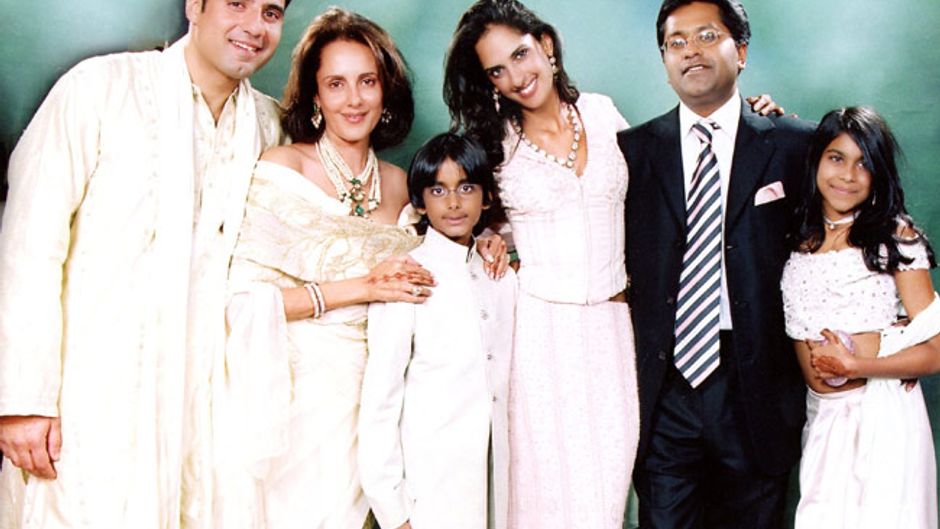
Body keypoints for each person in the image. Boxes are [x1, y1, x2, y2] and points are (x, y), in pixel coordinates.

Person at [0, 1, 289, 528]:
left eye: (271, 12)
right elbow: (30, 244)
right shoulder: (101, 89)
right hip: (95, 394)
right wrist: (24, 400)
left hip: (209, 410)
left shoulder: (270, 128)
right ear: (194, 6)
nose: (254, 26)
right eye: (237, 3)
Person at [218, 8, 507, 529]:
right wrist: (361, 287)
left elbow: (442, 249)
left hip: (391, 420)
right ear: (315, 96)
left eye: (367, 82)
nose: (353, 100)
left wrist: (486, 239)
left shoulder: (403, 185)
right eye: (336, 84)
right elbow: (242, 305)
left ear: (385, 90)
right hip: (302, 413)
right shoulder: (283, 169)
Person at [618, 1, 815, 527]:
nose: (691, 52)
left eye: (707, 36)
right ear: (664, 61)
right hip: (665, 386)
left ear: (741, 51)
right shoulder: (632, 152)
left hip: (757, 386)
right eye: (676, 42)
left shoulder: (794, 145)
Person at [444, 2, 638, 527]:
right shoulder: (495, 145)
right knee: (543, 499)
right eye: (496, 71)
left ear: (546, 45)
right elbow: (460, 212)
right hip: (538, 335)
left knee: (605, 501)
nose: (516, 77)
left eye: (520, 54)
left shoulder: (602, 114)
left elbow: (658, 187)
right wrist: (487, 235)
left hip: (612, 327)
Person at [780, 106, 939, 528]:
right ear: (817, 160)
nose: (848, 175)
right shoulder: (798, 233)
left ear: (878, 174)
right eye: (836, 158)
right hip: (822, 415)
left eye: (864, 163)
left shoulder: (894, 236)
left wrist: (856, 366)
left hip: (881, 415)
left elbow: (936, 351)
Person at [358, 132, 517, 529]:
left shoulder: (500, 276)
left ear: (486, 198)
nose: (453, 203)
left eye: (466, 187)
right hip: (430, 484)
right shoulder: (407, 277)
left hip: (495, 479)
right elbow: (380, 400)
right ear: (420, 202)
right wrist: (392, 510)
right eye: (438, 190)